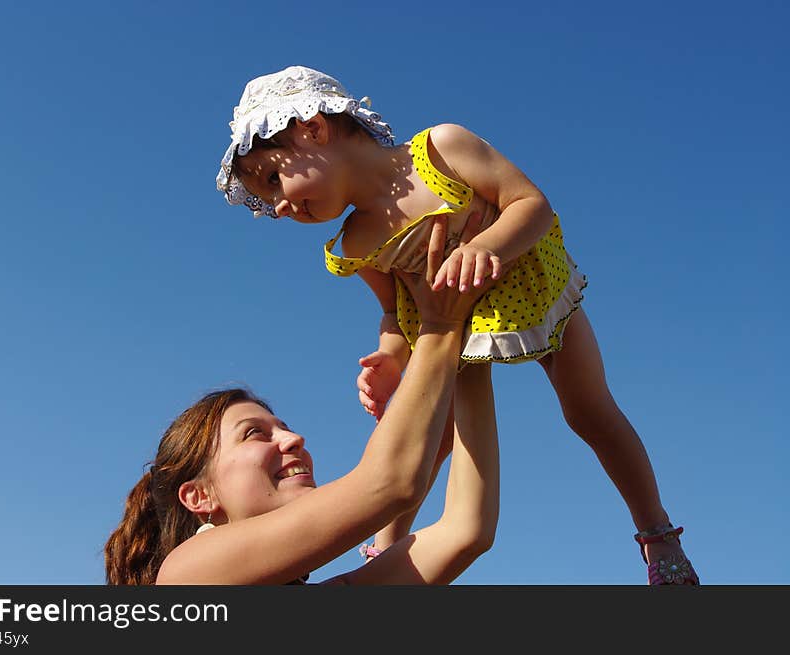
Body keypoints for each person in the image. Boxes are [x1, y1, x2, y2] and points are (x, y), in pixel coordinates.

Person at [215, 65, 698, 585]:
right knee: (426, 433)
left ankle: (656, 531)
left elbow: (531, 204)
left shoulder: (440, 150)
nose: (281, 206)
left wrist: (485, 248)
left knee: (589, 411)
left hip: (533, 291)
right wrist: (387, 358)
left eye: (273, 179)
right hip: (452, 330)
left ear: (313, 127)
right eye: (267, 203)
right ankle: (385, 548)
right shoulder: (357, 243)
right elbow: (393, 313)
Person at [104, 270, 500, 584]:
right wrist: (439, 324)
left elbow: (466, 531)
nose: (294, 439)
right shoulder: (188, 575)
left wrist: (471, 340)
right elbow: (390, 483)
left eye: (283, 428)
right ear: (199, 496)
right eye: (254, 433)